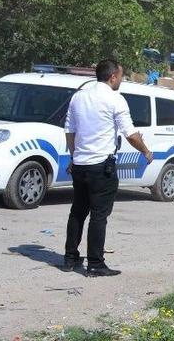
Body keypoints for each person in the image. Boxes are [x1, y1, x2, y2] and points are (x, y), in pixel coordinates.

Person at [61, 59, 153, 277]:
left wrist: (74, 156)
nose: (121, 80)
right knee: (99, 215)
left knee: (77, 211)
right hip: (101, 166)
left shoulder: (79, 96)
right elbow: (130, 134)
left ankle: (69, 258)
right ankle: (95, 264)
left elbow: (69, 130)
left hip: (80, 165)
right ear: (112, 77)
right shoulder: (115, 99)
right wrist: (146, 151)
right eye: (120, 76)